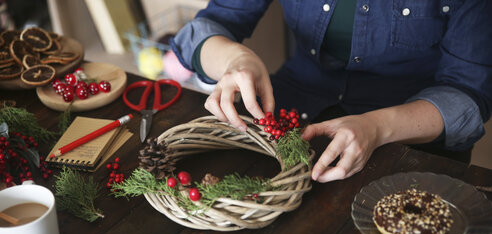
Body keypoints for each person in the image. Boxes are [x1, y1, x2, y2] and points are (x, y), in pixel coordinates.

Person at [171, 0, 492, 183]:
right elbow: (206, 27)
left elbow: (467, 96)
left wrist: (377, 127)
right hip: (295, 106)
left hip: (409, 132)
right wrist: (235, 58)